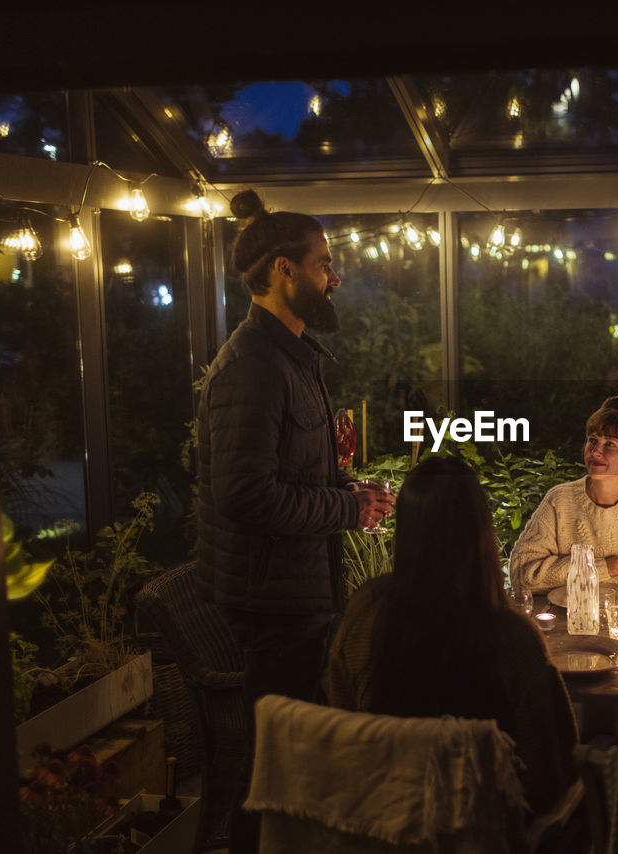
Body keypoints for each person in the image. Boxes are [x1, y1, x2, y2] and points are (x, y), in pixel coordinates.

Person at [194, 189, 394, 853]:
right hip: (274, 606)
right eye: (323, 264)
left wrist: (346, 486)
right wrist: (347, 507)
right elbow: (246, 495)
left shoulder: (290, 355)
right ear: (284, 271)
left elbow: (288, 472)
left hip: (297, 594)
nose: (333, 277)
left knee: (289, 762)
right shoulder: (253, 368)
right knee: (274, 770)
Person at [326, 456, 578, 815]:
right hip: (484, 837)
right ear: (481, 530)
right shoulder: (512, 639)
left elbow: (341, 734)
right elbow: (552, 774)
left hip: (381, 827)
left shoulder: (367, 612)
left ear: (406, 526)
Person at [508, 392, 618, 597]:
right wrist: (598, 568)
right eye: (592, 440)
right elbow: (522, 572)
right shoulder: (559, 500)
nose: (595, 451)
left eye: (610, 443)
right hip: (565, 625)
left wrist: (572, 577)